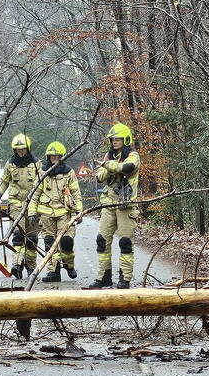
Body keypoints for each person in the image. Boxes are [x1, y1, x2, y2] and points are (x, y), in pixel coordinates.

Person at [86, 123, 140, 290]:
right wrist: (107, 167)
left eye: (118, 139)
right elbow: (100, 176)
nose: (115, 142)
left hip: (126, 205)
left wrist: (109, 166)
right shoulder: (108, 156)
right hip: (108, 204)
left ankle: (124, 279)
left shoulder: (133, 155)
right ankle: (104, 277)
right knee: (101, 240)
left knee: (125, 242)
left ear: (125, 139)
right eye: (113, 139)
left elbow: (127, 168)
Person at [0, 133, 40, 278]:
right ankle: (17, 264)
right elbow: (5, 181)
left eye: (23, 149)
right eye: (18, 150)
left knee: (32, 238)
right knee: (18, 235)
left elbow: (42, 183)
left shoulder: (36, 164)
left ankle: (31, 266)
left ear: (28, 148)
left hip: (32, 205)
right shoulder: (10, 164)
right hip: (16, 203)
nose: (21, 152)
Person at [33, 141, 83, 282]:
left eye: (57, 156)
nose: (54, 159)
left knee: (66, 242)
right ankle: (54, 272)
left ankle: (69, 265)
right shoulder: (42, 172)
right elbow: (35, 194)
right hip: (46, 213)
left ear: (62, 157)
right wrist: (32, 212)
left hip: (64, 213)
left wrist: (79, 211)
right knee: (49, 243)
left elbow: (76, 193)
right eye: (52, 156)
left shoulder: (69, 172)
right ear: (48, 157)